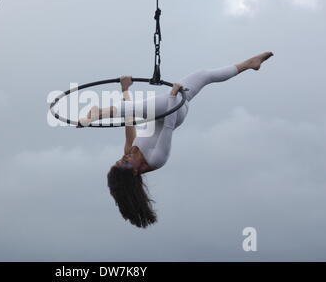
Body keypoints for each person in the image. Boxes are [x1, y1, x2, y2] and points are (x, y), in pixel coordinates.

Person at [78, 52, 274, 228]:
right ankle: (98, 113)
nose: (125, 158)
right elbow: (169, 127)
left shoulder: (130, 152)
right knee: (154, 107)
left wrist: (125, 89)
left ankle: (249, 63)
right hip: (173, 112)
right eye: (126, 165)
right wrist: (172, 97)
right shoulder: (156, 160)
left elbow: (130, 118)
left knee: (204, 75)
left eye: (120, 161)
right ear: (135, 173)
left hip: (166, 105)